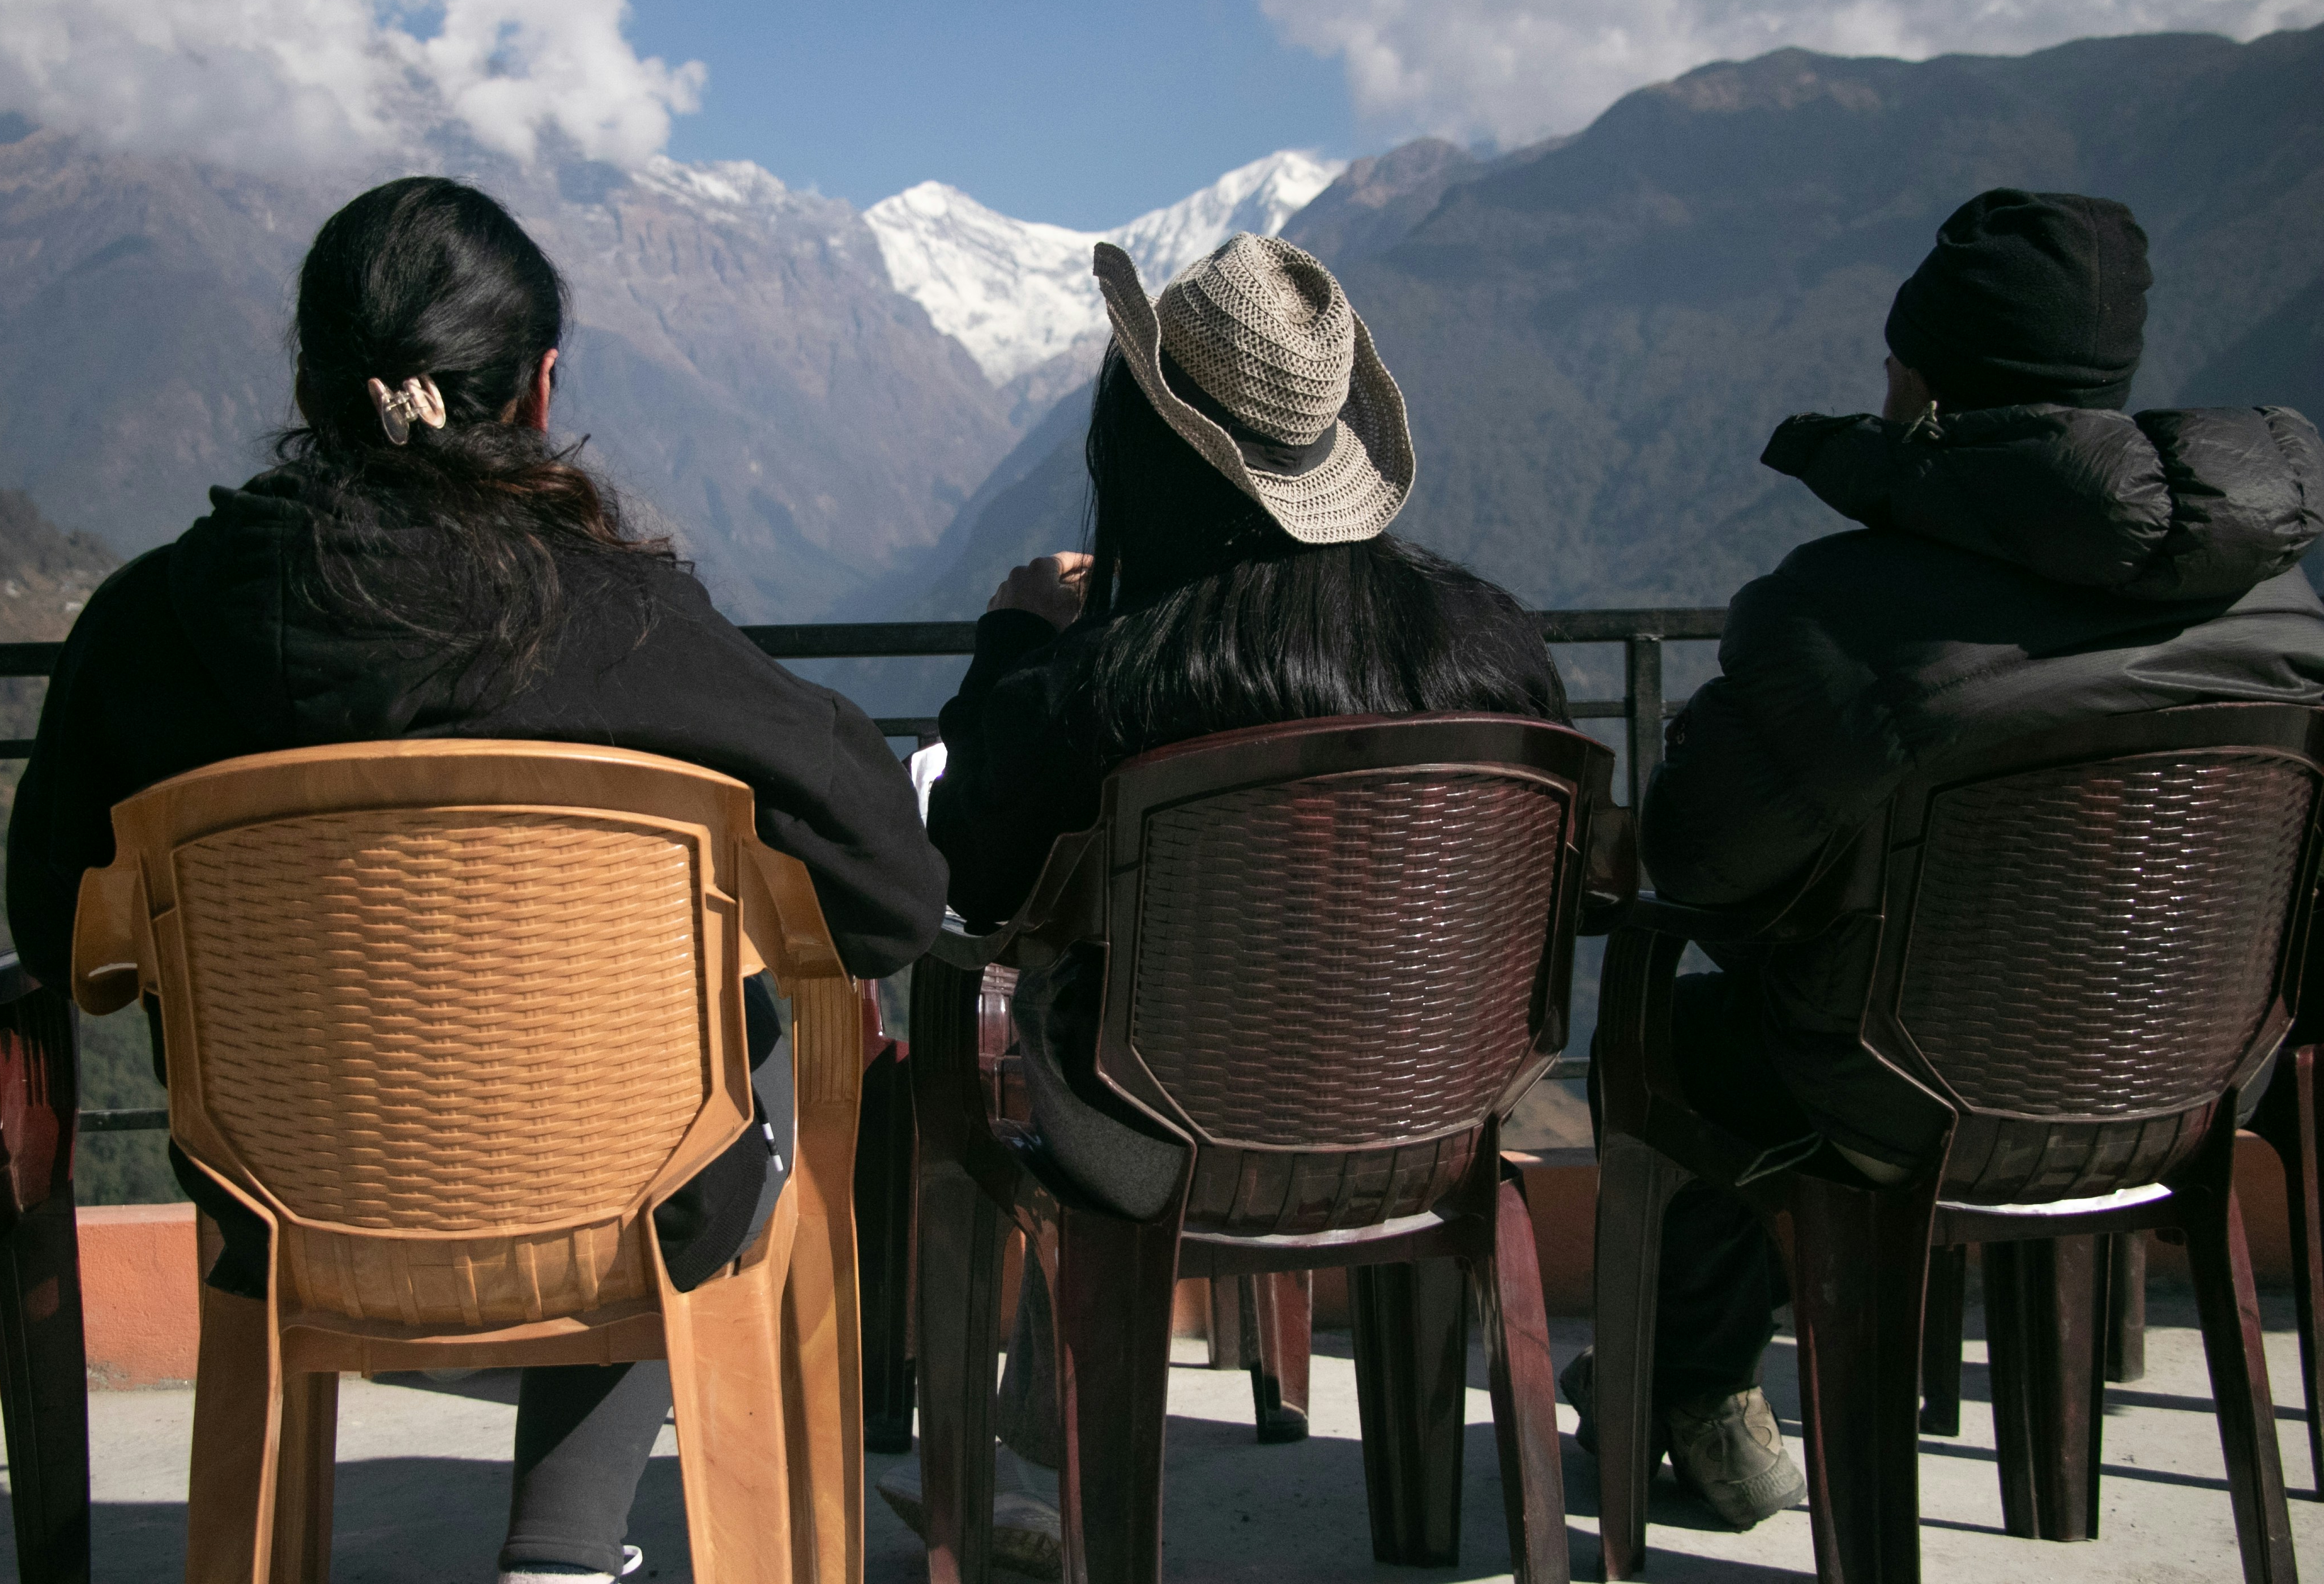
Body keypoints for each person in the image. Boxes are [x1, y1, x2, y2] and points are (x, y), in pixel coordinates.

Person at [5, 177, 946, 1583]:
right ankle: (563, 1543)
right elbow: (889, 895)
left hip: (282, 1219)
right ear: (539, 386)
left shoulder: (149, 629)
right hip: (631, 1222)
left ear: (314, 383)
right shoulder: (628, 620)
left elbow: (54, 934)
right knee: (727, 1063)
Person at [1561, 186, 2324, 1531]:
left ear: (1920, 383)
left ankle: (1699, 1410)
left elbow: (1701, 866)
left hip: (1913, 1101)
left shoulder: (1845, 609)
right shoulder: (2278, 602)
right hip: (2200, 1081)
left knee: (1673, 1033)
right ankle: (2061, 1471)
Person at [884, 233, 1569, 1574]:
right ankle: (1428, 1516)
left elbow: (970, 871)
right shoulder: (1496, 652)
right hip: (1439, 1121)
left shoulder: (1110, 687)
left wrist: (1017, 641)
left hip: (1159, 1142)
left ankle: (1036, 1478)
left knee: (1021, 1040)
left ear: (1140, 441)